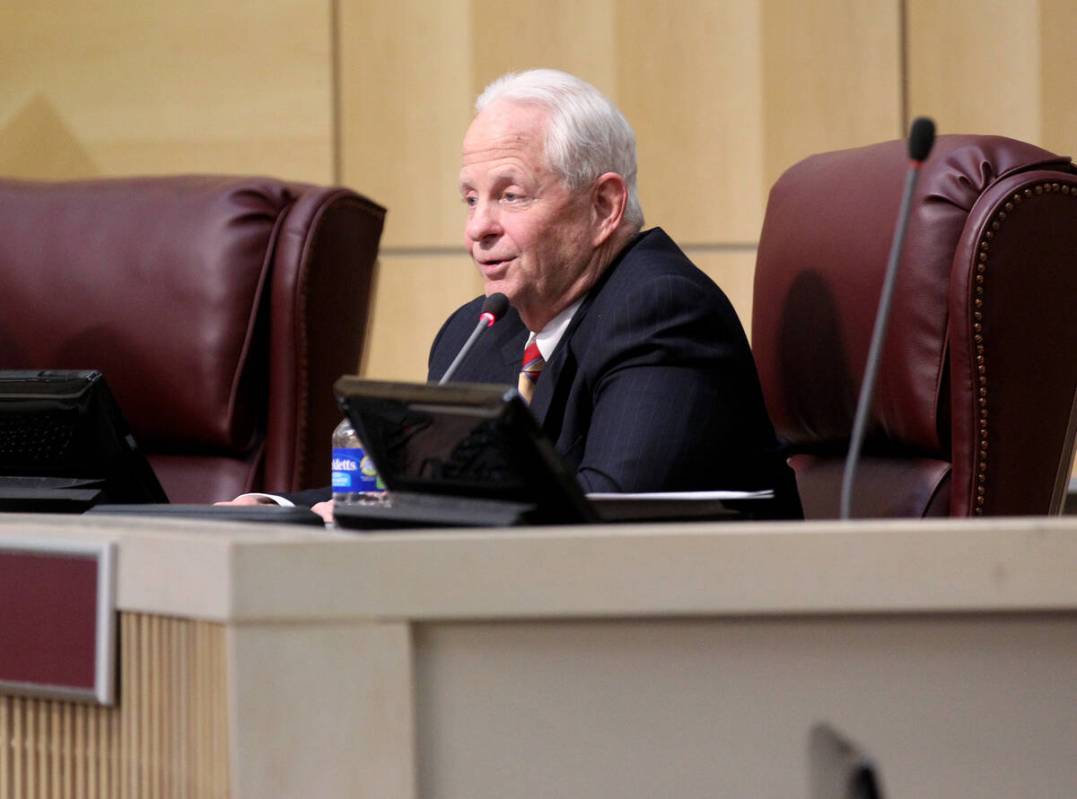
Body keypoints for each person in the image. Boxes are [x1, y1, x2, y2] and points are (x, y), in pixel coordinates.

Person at [228, 68, 798, 518]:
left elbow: (605, 510)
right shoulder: (478, 332)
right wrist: (281, 509)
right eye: (471, 199)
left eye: (512, 196)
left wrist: (390, 512)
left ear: (604, 206)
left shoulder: (662, 311)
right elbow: (418, 487)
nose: (479, 228)